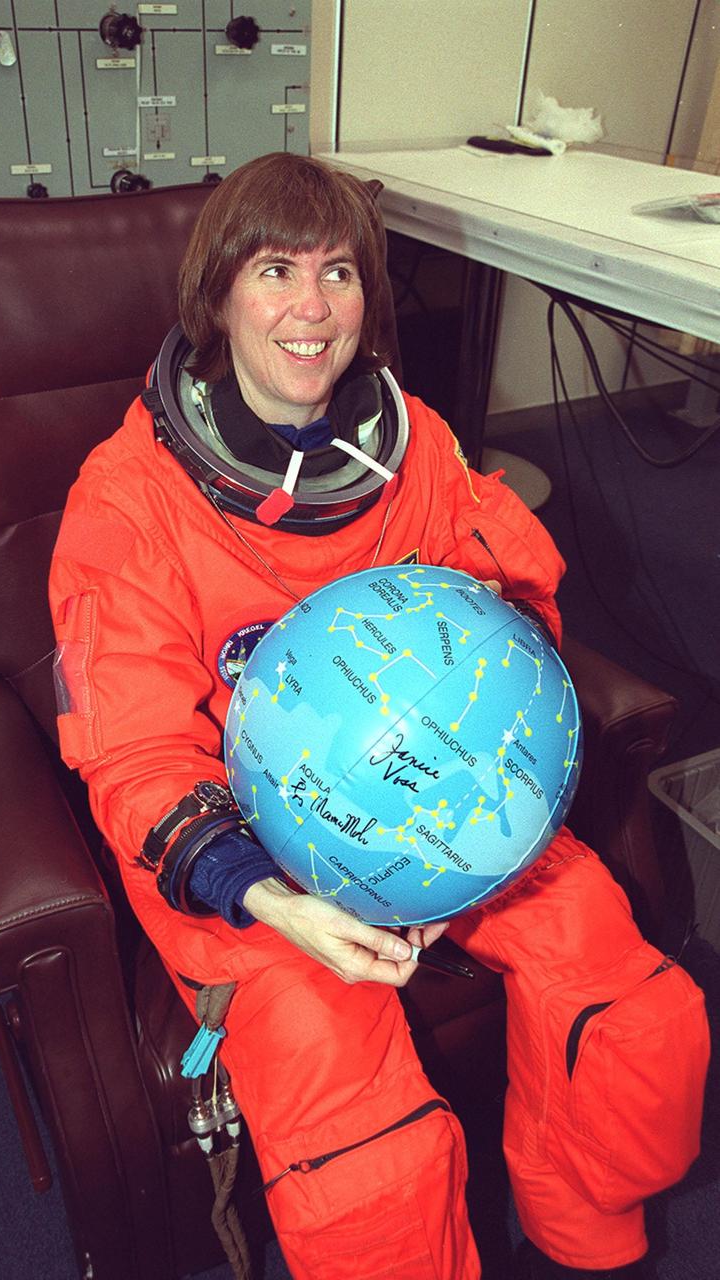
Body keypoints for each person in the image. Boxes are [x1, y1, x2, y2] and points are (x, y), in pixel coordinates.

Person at [49, 152, 709, 1280]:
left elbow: (515, 613)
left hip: (449, 809)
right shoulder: (126, 500)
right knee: (367, 1157)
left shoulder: (419, 451)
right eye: (274, 270)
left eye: (340, 272)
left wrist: (446, 842)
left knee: (636, 1009)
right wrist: (272, 896)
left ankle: (585, 1237)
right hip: (257, 862)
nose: (311, 307)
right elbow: (133, 748)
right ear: (216, 296)